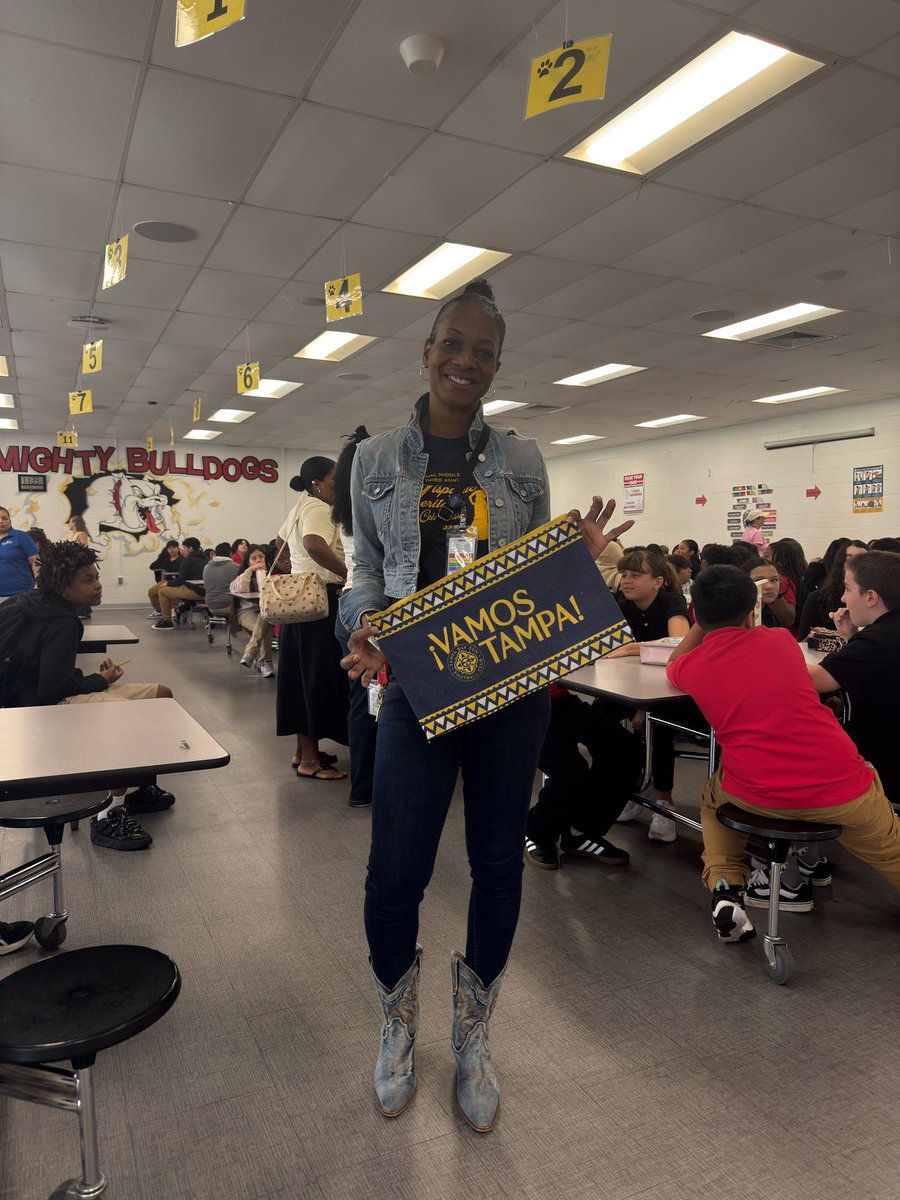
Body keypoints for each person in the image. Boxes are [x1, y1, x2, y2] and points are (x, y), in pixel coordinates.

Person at [339, 278, 632, 1132]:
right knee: (397, 868)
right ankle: (397, 1024)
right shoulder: (375, 461)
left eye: (484, 351)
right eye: (453, 345)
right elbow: (363, 571)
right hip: (416, 690)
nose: (465, 361)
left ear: (498, 366)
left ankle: (473, 1037)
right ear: (426, 352)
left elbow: (533, 577)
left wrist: (570, 560)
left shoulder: (524, 461)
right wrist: (364, 626)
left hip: (508, 693)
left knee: (499, 864)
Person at [666, 564, 900, 944]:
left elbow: (674, 663)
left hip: (755, 793)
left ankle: (725, 887)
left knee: (712, 797)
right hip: (840, 788)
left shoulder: (690, 667)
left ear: (698, 614)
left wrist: (701, 623)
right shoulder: (778, 640)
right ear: (750, 609)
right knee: (891, 848)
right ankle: (809, 860)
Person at [0, 541, 175, 851]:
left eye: (96, 577)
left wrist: (94, 679)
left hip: (24, 697)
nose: (97, 586)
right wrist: (100, 679)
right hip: (40, 709)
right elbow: (51, 690)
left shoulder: (30, 602)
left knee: (162, 695)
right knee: (123, 715)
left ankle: (141, 788)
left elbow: (46, 671)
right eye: (87, 580)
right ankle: (108, 813)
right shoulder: (63, 622)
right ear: (63, 587)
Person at [603, 550, 692, 841]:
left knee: (659, 727)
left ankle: (664, 802)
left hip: (672, 692)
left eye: (635, 575)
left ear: (657, 582)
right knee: (598, 717)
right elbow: (605, 647)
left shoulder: (672, 602)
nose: (626, 581)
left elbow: (678, 643)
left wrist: (631, 648)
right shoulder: (621, 605)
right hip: (630, 689)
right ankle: (632, 786)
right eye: (624, 575)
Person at [808, 551, 900, 809]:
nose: (842, 598)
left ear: (870, 597)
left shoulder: (877, 640)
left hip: (883, 759)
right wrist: (851, 637)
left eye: (848, 589)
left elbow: (816, 680)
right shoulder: (883, 633)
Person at [275, 457, 348, 780]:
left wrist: (298, 568)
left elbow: (280, 542)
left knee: (300, 677)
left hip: (299, 604)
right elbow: (314, 544)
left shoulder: (300, 505)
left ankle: (303, 751)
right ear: (317, 483)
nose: (338, 488)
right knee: (315, 679)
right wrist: (349, 575)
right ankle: (310, 762)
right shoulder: (319, 507)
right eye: (334, 482)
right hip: (319, 605)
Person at [525, 684, 641, 868]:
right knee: (570, 772)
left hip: (559, 697)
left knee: (625, 750)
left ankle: (580, 831)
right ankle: (537, 833)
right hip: (523, 706)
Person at [331, 425, 377, 808]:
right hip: (370, 608)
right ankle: (376, 786)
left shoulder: (344, 506)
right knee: (381, 701)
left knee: (361, 699)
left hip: (348, 603)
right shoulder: (375, 502)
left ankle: (363, 787)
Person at [798, 541, 868, 640]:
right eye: (850, 561)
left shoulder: (877, 601)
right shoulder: (817, 598)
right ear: (841, 565)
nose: (856, 566)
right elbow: (802, 640)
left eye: (862, 560)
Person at [230, 544, 276, 678]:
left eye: (261, 557)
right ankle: (265, 662)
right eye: (253, 558)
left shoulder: (272, 573)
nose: (258, 561)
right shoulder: (244, 575)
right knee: (264, 626)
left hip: (266, 611)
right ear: (248, 562)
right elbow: (238, 590)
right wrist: (250, 571)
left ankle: (251, 652)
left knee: (264, 619)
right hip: (246, 612)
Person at [148, 537, 208, 629]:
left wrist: (168, 584)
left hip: (195, 590)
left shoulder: (187, 559)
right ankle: (169, 612)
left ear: (190, 548)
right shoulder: (206, 559)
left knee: (163, 591)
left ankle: (166, 621)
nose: (182, 550)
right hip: (206, 591)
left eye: (184, 547)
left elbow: (180, 580)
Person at [742, 556, 796, 632]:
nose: (769, 586)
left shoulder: (770, 614)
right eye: (759, 580)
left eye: (774, 580)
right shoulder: (739, 617)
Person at [0, 506, 38, 601]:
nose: (1, 521)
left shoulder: (20, 536)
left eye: (4, 518)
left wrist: (38, 583)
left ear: (10, 521)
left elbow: (35, 561)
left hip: (20, 593)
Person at [203, 541, 240, 615]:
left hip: (210, 605)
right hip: (228, 605)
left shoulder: (207, 567)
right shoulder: (236, 567)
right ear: (231, 554)